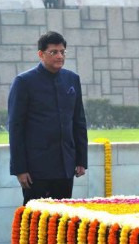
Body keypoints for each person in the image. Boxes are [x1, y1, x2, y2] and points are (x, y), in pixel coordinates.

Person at [8, 31, 88, 206]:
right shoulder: (24, 82)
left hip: (66, 166)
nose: (60, 56)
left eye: (62, 51)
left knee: (63, 221)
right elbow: (16, 127)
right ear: (41, 54)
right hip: (36, 169)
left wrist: (81, 160)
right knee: (36, 223)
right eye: (54, 52)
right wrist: (20, 169)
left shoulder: (72, 79)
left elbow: (78, 121)